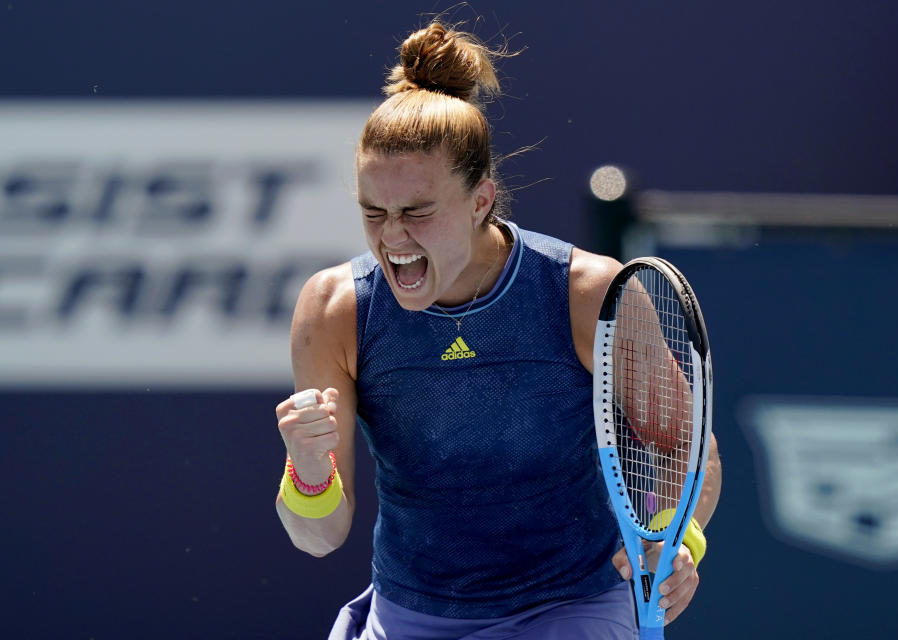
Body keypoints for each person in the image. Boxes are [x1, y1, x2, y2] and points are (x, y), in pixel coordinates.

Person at [274, 19, 721, 640]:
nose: (392, 237)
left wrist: (678, 538)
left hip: (572, 610)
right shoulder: (334, 308)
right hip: (409, 616)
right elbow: (318, 536)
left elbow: (683, 448)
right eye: (373, 212)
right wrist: (307, 469)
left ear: (482, 199)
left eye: (418, 212)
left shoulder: (586, 293)